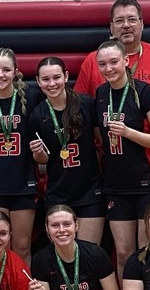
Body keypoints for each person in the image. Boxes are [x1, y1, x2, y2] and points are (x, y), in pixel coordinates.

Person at [74, 0, 150, 175]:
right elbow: (83, 112)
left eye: (132, 19)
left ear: (141, 24)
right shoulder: (92, 61)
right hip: (111, 162)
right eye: (119, 20)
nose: (126, 25)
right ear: (111, 27)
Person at [94, 39, 150, 282]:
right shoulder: (101, 94)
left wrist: (128, 132)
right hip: (116, 184)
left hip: (147, 181)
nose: (108, 68)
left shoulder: (145, 92)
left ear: (126, 61)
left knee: (145, 251)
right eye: (102, 64)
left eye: (114, 62)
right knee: (123, 253)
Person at [29, 57, 105, 245]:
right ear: (38, 81)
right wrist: (38, 153)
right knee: (63, 253)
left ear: (66, 76)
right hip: (58, 193)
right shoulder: (37, 114)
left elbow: (102, 142)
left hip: (90, 191)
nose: (52, 84)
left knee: (89, 251)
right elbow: (43, 160)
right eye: (45, 79)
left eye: (56, 77)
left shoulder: (86, 103)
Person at [0, 47, 37, 263]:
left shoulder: (32, 97)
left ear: (16, 71)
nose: (0, 75)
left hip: (23, 181)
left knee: (21, 246)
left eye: (6, 70)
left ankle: (23, 286)